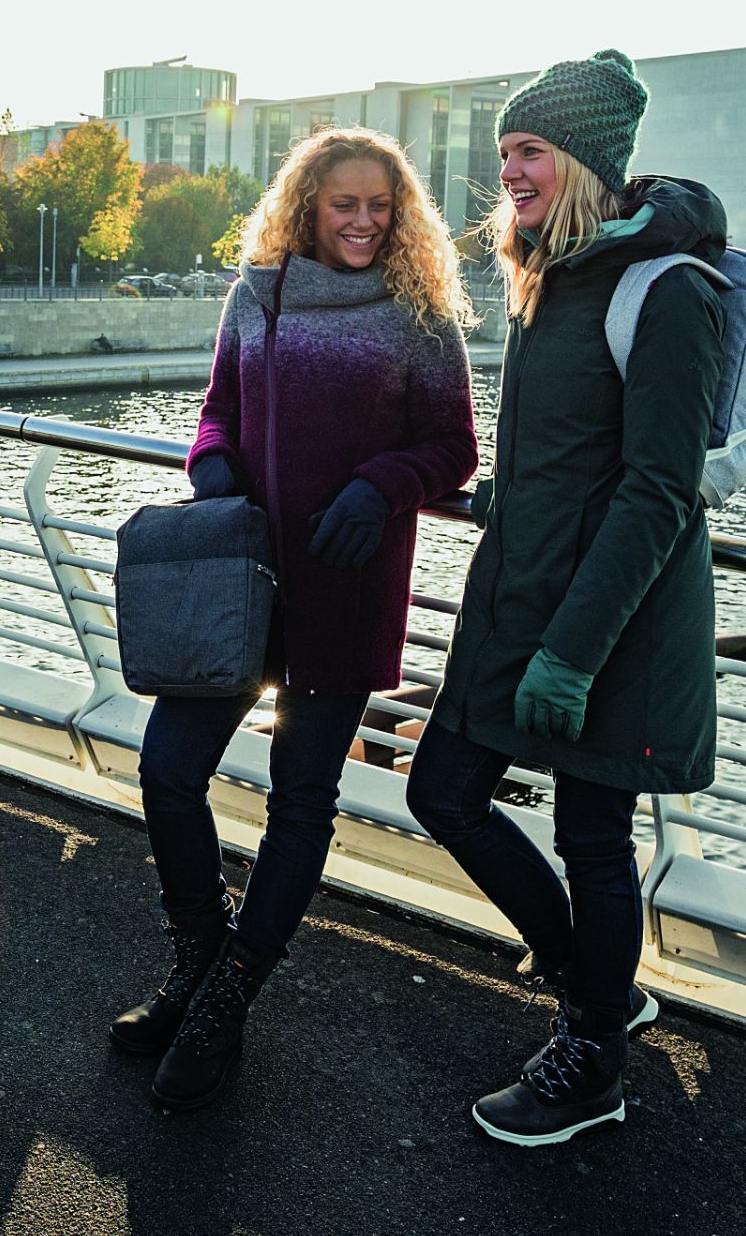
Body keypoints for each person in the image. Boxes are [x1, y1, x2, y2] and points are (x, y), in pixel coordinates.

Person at [405, 50, 729, 1146]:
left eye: (531, 150)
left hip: (615, 626)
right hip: (523, 593)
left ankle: (593, 1055)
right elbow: (574, 446)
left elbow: (658, 493)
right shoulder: (544, 273)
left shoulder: (669, 287)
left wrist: (574, 655)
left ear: (584, 159)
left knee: (595, 836)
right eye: (505, 154)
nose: (512, 173)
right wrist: (501, 487)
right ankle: (600, 984)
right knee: (442, 790)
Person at [124, 127, 479, 1112]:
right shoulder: (260, 294)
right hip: (239, 585)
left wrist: (381, 483)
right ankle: (195, 957)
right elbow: (216, 411)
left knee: (302, 800)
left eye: (381, 206)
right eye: (345, 204)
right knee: (167, 766)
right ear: (308, 205)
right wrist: (210, 459)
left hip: (348, 585)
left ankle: (226, 1000)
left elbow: (454, 448)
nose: (364, 221)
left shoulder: (418, 313)